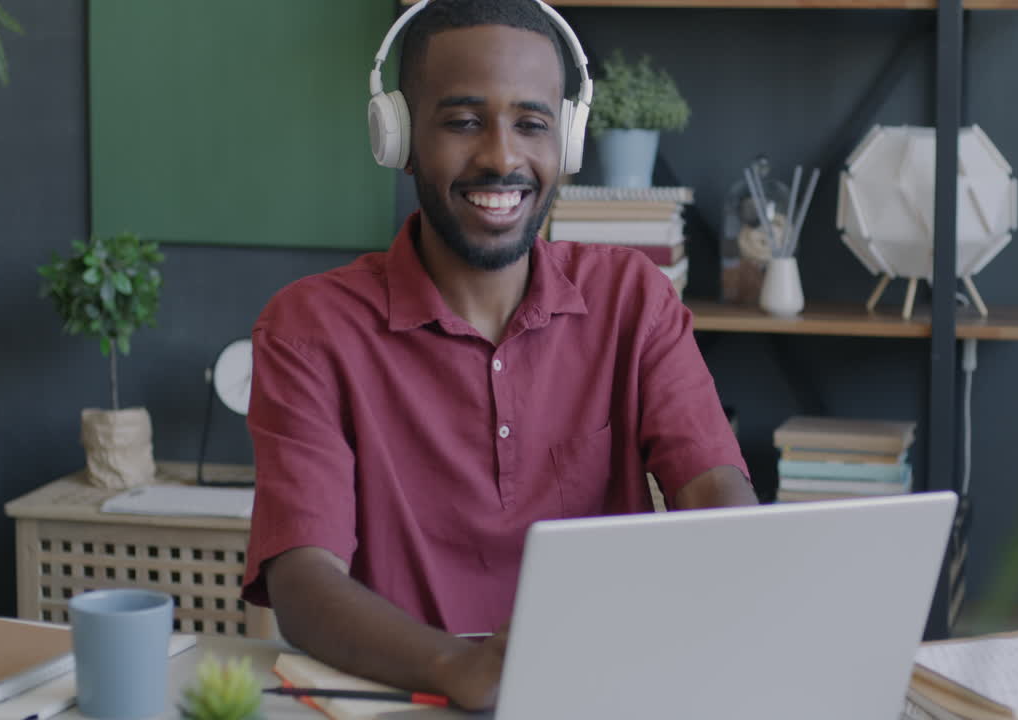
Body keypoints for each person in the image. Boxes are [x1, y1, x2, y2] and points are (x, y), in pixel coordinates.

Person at [240, 0, 756, 710]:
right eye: (462, 121)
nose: (502, 157)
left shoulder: (633, 298)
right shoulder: (309, 329)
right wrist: (460, 667)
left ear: (567, 141)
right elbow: (303, 582)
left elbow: (718, 496)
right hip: (404, 699)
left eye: (532, 123)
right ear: (398, 137)